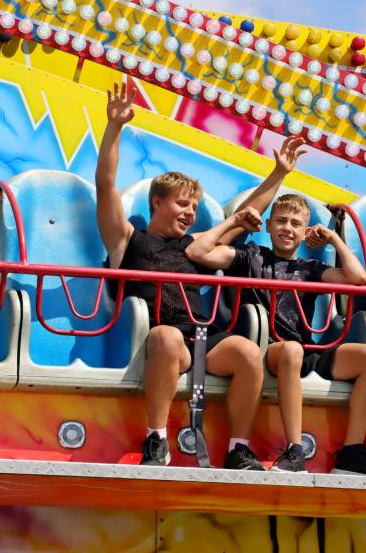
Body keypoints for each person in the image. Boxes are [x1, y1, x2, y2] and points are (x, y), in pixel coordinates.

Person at [96, 81, 307, 469]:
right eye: (182, 204)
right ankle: (156, 440)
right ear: (157, 202)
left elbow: (243, 216)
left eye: (194, 207)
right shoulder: (126, 239)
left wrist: (279, 174)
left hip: (202, 338)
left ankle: (238, 448)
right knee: (167, 335)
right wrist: (114, 128)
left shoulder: (195, 245)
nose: (190, 213)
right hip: (160, 340)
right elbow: (106, 185)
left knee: (248, 351)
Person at [187, 193, 366, 476]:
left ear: (305, 231)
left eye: (296, 224)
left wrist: (334, 240)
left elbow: (358, 278)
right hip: (266, 350)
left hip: (302, 350)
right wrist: (235, 221)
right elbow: (198, 252)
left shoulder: (310, 268)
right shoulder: (251, 256)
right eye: (281, 221)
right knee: (292, 349)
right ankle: (295, 452)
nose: (287, 228)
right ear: (268, 225)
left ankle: (352, 453)